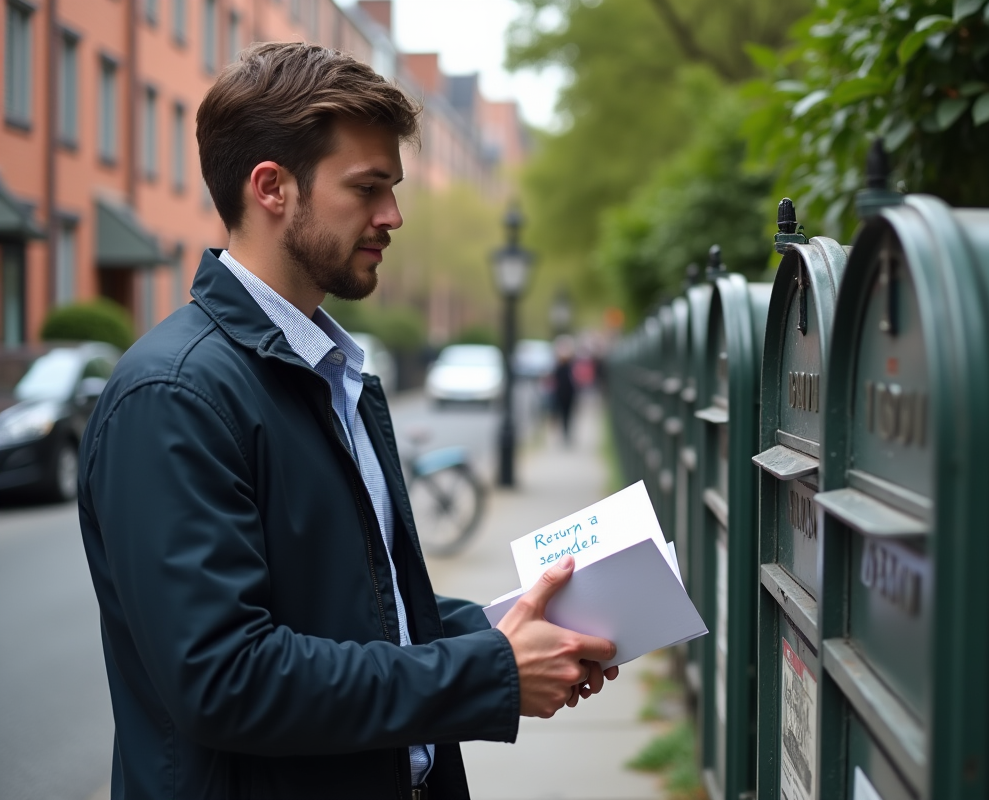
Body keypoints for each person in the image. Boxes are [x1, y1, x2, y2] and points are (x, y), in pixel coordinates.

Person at [77, 42, 617, 800]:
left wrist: (513, 633)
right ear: (272, 188)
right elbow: (226, 680)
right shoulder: (172, 396)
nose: (392, 216)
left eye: (392, 188)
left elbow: (361, 607)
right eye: (368, 188)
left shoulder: (332, 374)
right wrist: (488, 671)